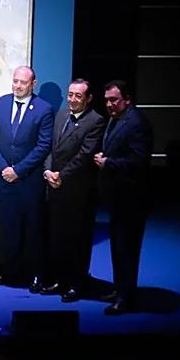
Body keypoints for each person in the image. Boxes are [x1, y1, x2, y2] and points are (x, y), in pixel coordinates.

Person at [0, 66, 53, 290]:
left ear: (33, 84)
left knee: (33, 229)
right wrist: (4, 168)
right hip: (5, 179)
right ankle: (9, 273)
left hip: (29, 181)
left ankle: (36, 275)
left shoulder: (44, 109)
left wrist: (18, 170)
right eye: (15, 81)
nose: (17, 86)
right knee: (9, 228)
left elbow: (43, 146)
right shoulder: (0, 103)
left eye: (23, 82)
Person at [41, 79, 105, 301]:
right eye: (70, 95)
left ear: (88, 99)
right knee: (57, 238)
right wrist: (48, 171)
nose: (73, 100)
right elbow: (51, 149)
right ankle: (60, 280)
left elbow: (85, 156)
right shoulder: (60, 115)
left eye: (78, 96)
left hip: (79, 192)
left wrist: (62, 175)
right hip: (56, 189)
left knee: (77, 240)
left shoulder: (95, 121)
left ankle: (76, 284)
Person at [95, 80, 153, 315]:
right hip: (117, 197)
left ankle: (126, 298)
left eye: (114, 100)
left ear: (127, 99)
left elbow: (139, 162)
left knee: (127, 248)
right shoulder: (116, 119)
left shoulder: (137, 123)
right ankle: (121, 288)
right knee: (118, 247)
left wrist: (108, 163)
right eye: (107, 100)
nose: (109, 104)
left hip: (132, 198)